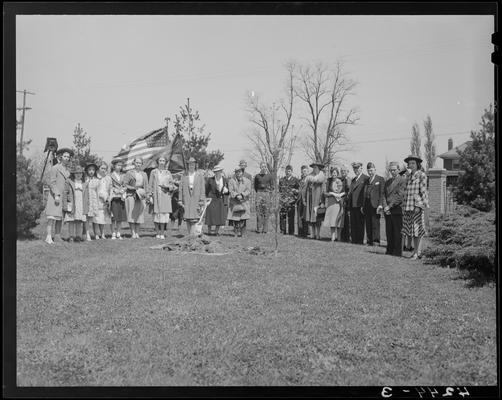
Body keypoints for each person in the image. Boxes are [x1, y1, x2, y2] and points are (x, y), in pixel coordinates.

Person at [402, 155, 429, 259]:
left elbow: (423, 193)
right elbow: (406, 193)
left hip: (417, 207)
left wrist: (420, 206)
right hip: (408, 207)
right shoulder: (408, 177)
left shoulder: (421, 175)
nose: (411, 165)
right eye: (410, 163)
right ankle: (414, 252)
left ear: (417, 164)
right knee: (412, 231)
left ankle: (418, 252)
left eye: (413, 163)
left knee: (418, 231)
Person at [44, 148, 73, 244]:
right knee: (51, 217)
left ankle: (57, 236)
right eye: (65, 156)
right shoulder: (55, 168)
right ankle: (48, 237)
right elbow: (52, 182)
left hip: (63, 197)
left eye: (68, 157)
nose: (67, 158)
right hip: (55, 196)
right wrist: (56, 194)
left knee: (59, 217)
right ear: (61, 157)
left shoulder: (68, 170)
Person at [383, 161, 406, 256]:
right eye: (391, 170)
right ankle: (389, 250)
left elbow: (399, 196)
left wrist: (389, 206)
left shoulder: (402, 180)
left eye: (394, 170)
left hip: (397, 209)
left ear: (398, 170)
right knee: (389, 231)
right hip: (387, 210)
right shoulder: (387, 181)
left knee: (397, 232)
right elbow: (383, 195)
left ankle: (397, 252)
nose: (392, 172)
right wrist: (385, 206)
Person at [148, 155, 175, 239]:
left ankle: (162, 233)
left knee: (164, 215)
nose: (162, 162)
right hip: (156, 196)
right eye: (160, 160)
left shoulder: (168, 172)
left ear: (165, 162)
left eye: (163, 161)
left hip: (165, 196)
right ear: (157, 162)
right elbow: (150, 185)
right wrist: (150, 196)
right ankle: (157, 232)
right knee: (156, 214)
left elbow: (172, 184)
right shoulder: (153, 172)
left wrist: (169, 187)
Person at [179, 157, 206, 236]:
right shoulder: (184, 175)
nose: (191, 166)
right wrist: (180, 199)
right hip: (187, 198)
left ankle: (193, 235)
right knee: (187, 218)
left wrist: (201, 199)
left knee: (195, 218)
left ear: (195, 165)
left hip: (196, 199)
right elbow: (180, 188)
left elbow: (202, 188)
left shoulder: (199, 175)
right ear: (188, 165)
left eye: (193, 164)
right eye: (190, 164)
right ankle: (190, 234)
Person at [62, 165, 89, 242]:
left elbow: (87, 196)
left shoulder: (84, 183)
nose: (78, 174)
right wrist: (65, 204)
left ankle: (78, 236)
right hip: (72, 203)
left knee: (78, 221)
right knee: (71, 220)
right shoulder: (69, 181)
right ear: (73, 174)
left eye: (80, 173)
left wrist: (87, 205)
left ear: (82, 174)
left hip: (81, 204)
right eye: (76, 173)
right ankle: (71, 236)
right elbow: (65, 193)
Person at [123, 158, 148, 238]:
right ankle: (133, 232)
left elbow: (146, 186)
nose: (138, 164)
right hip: (131, 195)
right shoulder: (129, 173)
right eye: (137, 162)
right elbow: (125, 184)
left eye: (140, 163)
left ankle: (137, 232)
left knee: (139, 214)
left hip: (140, 195)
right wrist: (132, 188)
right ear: (134, 163)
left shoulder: (144, 174)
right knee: (131, 214)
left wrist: (147, 195)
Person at [363, 162, 385, 246]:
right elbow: (364, 193)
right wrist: (363, 205)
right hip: (367, 203)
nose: (370, 172)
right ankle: (369, 241)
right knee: (368, 223)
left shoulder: (380, 179)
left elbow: (382, 193)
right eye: (368, 170)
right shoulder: (367, 180)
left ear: (375, 170)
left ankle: (376, 241)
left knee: (375, 223)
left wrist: (380, 204)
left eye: (371, 170)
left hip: (376, 205)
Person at [347, 161, 369, 244]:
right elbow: (351, 193)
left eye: (357, 168)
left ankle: (359, 240)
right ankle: (354, 239)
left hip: (360, 205)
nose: (356, 170)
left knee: (360, 223)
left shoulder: (365, 178)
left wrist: (363, 205)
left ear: (361, 168)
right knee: (353, 223)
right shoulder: (353, 180)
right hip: (353, 205)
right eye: (354, 168)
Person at [322, 167, 346, 242]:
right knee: (332, 220)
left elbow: (345, 192)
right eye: (332, 173)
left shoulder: (340, 181)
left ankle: (338, 237)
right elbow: (325, 193)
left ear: (337, 174)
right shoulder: (328, 181)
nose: (333, 174)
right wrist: (332, 193)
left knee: (338, 220)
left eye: (335, 173)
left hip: (338, 203)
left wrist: (340, 195)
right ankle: (332, 237)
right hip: (331, 202)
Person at [205, 165, 229, 236]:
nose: (217, 173)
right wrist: (207, 197)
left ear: (221, 172)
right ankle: (209, 231)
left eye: (219, 171)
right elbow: (206, 189)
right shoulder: (210, 179)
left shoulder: (225, 180)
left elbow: (228, 192)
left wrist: (226, 191)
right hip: (212, 199)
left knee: (219, 216)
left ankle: (216, 232)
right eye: (216, 172)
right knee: (210, 215)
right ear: (214, 172)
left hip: (220, 199)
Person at [228, 166, 251, 237]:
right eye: (237, 172)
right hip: (235, 202)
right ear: (235, 173)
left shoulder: (247, 181)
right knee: (235, 218)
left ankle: (243, 233)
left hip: (244, 201)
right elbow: (231, 190)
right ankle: (236, 233)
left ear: (242, 172)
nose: (238, 173)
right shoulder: (231, 181)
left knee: (243, 218)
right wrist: (236, 195)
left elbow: (248, 190)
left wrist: (242, 195)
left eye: (240, 172)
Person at [305, 161, 326, 240]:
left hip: (318, 198)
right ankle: (312, 234)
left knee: (317, 217)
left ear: (319, 168)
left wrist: (322, 201)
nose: (314, 169)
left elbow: (320, 183)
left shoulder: (321, 176)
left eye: (316, 167)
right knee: (311, 217)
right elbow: (307, 185)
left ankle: (318, 234)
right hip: (311, 198)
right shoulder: (310, 176)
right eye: (313, 167)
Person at [109, 159, 127, 239]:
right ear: (114, 166)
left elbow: (126, 184)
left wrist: (123, 189)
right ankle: (113, 233)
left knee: (120, 217)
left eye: (121, 165)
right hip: (114, 197)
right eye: (118, 165)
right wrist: (114, 189)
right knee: (113, 217)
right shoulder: (110, 175)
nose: (119, 167)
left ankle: (119, 233)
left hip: (121, 197)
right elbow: (109, 185)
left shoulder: (123, 175)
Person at [279, 165, 300, 235]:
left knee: (291, 217)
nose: (287, 172)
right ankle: (283, 230)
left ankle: (291, 231)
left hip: (291, 201)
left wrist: (294, 193)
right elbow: (280, 190)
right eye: (286, 171)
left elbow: (298, 190)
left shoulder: (296, 180)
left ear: (292, 171)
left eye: (289, 171)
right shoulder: (282, 180)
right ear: (285, 171)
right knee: (282, 216)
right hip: (283, 201)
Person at [254, 162, 274, 234]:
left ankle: (265, 229)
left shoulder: (269, 176)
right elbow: (255, 186)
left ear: (266, 167)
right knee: (259, 211)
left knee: (266, 211)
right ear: (260, 167)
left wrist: (268, 192)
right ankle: (259, 228)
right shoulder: (257, 176)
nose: (263, 168)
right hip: (259, 193)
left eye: (265, 166)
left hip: (267, 194)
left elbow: (272, 186)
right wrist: (259, 192)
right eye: (262, 166)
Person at [85, 162, 100, 240]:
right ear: (87, 170)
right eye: (90, 169)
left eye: (93, 170)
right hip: (87, 200)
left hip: (94, 200)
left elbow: (98, 192)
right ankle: (87, 234)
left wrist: (98, 202)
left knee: (95, 218)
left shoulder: (97, 180)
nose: (91, 171)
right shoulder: (85, 179)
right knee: (87, 218)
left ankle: (96, 234)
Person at [339, 165, 351, 242]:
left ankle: (348, 237)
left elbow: (349, 190)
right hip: (340, 201)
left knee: (348, 220)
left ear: (347, 172)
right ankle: (342, 236)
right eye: (342, 171)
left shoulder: (350, 180)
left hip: (347, 202)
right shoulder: (339, 180)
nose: (343, 173)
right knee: (341, 220)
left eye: (345, 171)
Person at [296, 165, 310, 238]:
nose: (303, 172)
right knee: (299, 217)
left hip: (306, 200)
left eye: (305, 171)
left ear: (308, 172)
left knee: (305, 217)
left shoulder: (310, 180)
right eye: (302, 171)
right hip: (299, 200)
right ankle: (300, 232)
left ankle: (305, 232)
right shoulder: (300, 180)